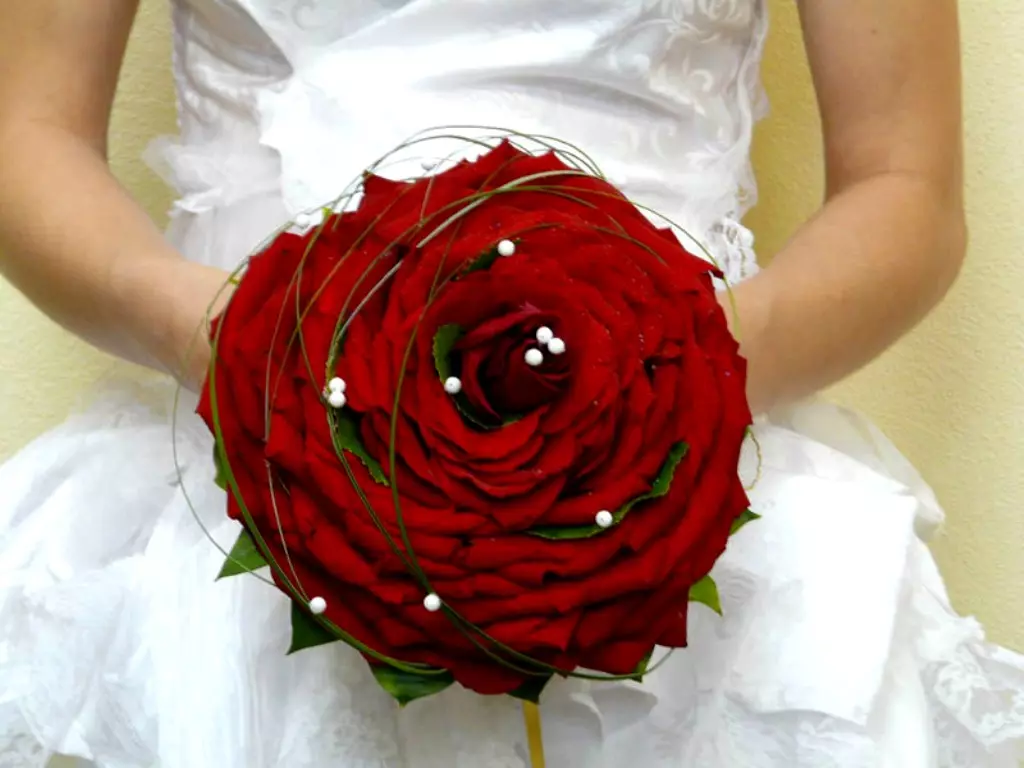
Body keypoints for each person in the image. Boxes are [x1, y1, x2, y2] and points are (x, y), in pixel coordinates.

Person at [0, 1, 1020, 766]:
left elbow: (905, 183)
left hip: (679, 464)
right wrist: (240, 340)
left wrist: (661, 384)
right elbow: (26, 132)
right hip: (247, 471)